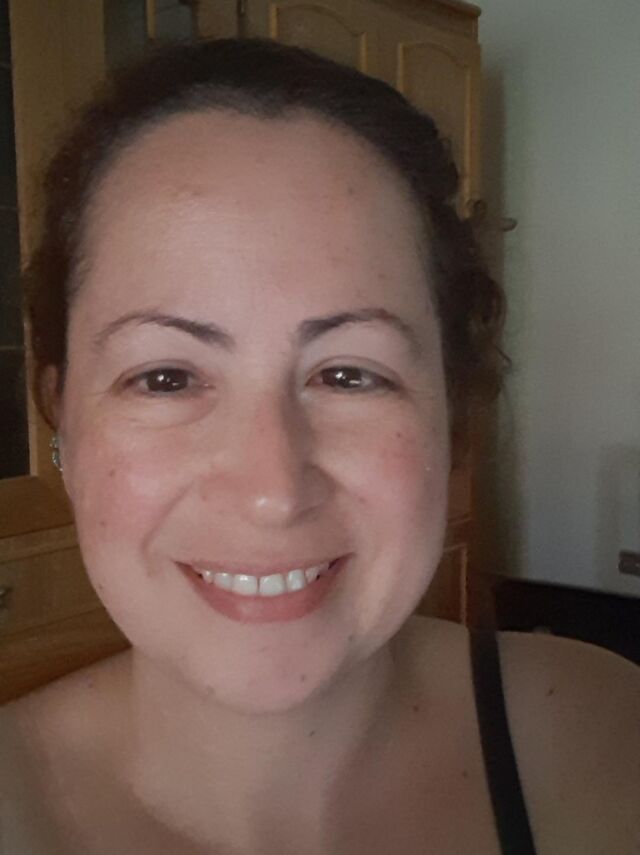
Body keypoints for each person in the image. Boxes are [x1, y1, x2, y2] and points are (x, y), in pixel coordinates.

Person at [1, 38, 638, 855]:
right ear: (61, 418)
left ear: (452, 414)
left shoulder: (604, 743)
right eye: (165, 377)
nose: (272, 489)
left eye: (348, 374)